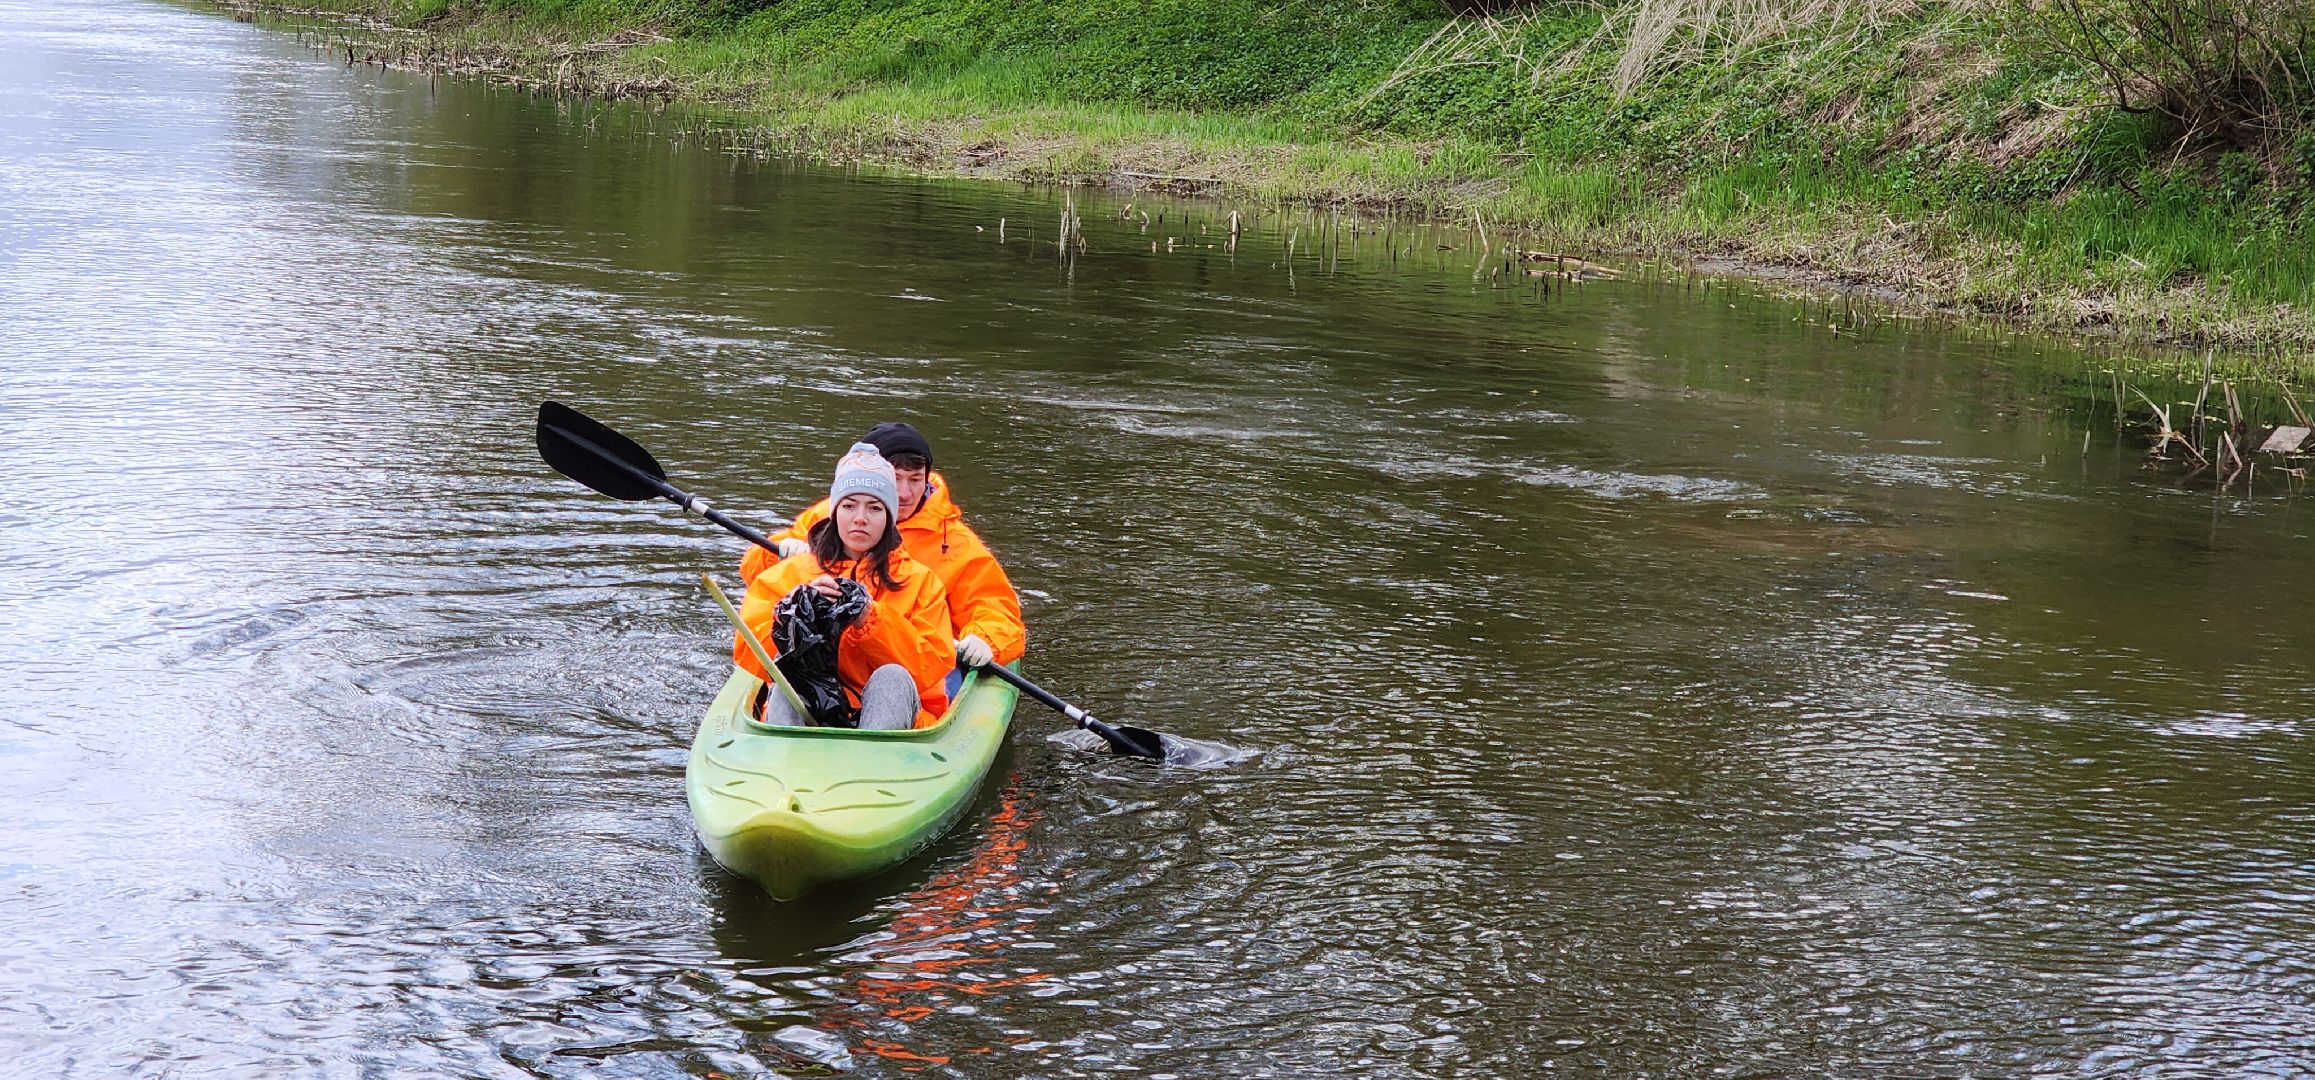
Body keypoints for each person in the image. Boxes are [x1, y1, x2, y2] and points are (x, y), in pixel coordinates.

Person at [741, 423, 1024, 682]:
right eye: (895, 479)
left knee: (900, 681)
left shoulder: (955, 545)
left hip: (913, 660)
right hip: (825, 658)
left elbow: (994, 607)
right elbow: (757, 579)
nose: (905, 493)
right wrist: (775, 555)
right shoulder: (826, 519)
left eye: (915, 479)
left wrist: (985, 639)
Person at [732, 443, 956, 730]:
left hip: (890, 721)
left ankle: (870, 752)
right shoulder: (788, 575)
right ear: (835, 512)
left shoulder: (921, 582)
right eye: (849, 506)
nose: (860, 518)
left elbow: (931, 667)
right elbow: (749, 656)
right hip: (806, 714)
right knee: (789, 671)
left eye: (874, 508)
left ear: (889, 518)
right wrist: (797, 612)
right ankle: (783, 750)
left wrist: (870, 620)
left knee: (891, 676)